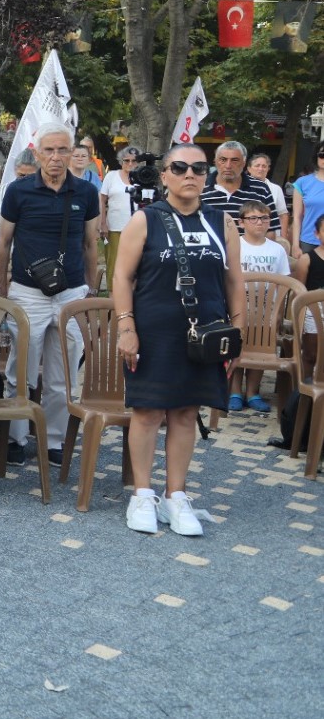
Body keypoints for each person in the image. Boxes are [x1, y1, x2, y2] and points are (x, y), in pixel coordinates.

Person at [116, 144, 243, 536]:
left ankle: (176, 496)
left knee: (187, 412)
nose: (190, 174)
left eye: (199, 168)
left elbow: (234, 280)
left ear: (207, 175)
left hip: (205, 333)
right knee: (148, 412)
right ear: (165, 175)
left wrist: (237, 333)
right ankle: (142, 494)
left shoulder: (222, 222)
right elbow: (122, 276)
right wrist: (126, 327)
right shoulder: (145, 219)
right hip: (153, 331)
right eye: (180, 167)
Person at [0, 123, 100, 466]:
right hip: (27, 292)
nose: (56, 157)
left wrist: (89, 289)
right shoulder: (18, 191)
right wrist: (2, 289)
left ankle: (55, 440)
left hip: (71, 293)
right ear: (38, 153)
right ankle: (15, 437)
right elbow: (4, 243)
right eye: (49, 150)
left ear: (73, 153)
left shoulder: (86, 192)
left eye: (62, 149)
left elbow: (90, 243)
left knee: (63, 374)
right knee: (21, 370)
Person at [228, 199, 292, 414]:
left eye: (264, 218)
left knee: (259, 351)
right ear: (241, 222)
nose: (259, 222)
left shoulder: (277, 250)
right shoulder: (234, 246)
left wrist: (279, 314)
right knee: (238, 348)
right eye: (253, 218)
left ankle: (253, 392)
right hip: (239, 309)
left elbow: (283, 283)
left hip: (266, 312)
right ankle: (235, 391)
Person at [201, 140, 278, 236]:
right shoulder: (200, 187)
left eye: (234, 160)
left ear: (244, 163)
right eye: (223, 160)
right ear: (215, 162)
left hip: (250, 246)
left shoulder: (261, 189)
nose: (228, 166)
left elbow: (270, 229)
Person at [98, 146, 142, 289]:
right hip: (115, 227)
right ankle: (113, 295)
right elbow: (102, 200)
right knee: (114, 263)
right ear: (121, 161)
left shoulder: (143, 177)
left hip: (139, 229)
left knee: (138, 263)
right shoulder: (111, 176)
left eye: (134, 161)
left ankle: (135, 293)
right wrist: (102, 223)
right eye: (126, 160)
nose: (130, 164)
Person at [247, 153, 290, 245]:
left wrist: (283, 238)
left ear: (268, 169)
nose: (260, 169)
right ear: (249, 168)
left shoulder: (276, 189)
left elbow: (283, 215)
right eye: (257, 165)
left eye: (264, 166)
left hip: (271, 237)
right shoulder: (242, 188)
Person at [293, 141, 324, 259]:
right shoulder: (302, 182)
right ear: (316, 156)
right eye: (322, 155)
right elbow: (297, 217)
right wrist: (295, 244)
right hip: (309, 240)